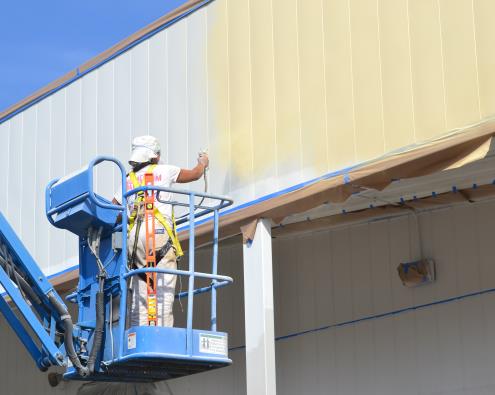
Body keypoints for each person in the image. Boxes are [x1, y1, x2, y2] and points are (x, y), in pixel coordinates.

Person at [113, 135, 208, 327]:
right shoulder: (165, 170)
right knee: (163, 288)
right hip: (157, 232)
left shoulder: (127, 180)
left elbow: (113, 210)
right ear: (155, 156)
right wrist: (203, 162)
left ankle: (138, 337)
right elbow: (195, 174)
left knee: (141, 288)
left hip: (134, 236)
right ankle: (161, 335)